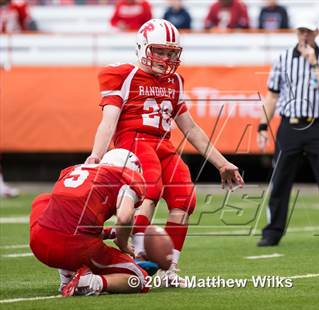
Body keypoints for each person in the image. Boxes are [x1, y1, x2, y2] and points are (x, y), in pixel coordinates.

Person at [85, 19, 244, 287]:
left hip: (163, 145)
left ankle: (170, 269)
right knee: (152, 186)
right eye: (160, 51)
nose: (167, 58)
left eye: (172, 53)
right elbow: (109, 121)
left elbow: (191, 128)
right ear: (142, 47)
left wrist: (222, 163)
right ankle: (136, 255)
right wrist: (95, 156)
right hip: (133, 140)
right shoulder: (123, 74)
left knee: (185, 198)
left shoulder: (174, 81)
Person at [256, 14, 319, 247]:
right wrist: (262, 125)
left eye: (309, 32)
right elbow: (272, 95)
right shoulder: (283, 59)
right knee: (280, 180)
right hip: (290, 124)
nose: (305, 36)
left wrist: (314, 63)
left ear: (316, 33)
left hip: (318, 125)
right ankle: (272, 231)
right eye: (301, 31)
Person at [30, 149, 149, 296]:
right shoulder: (126, 176)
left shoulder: (74, 169)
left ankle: (67, 273)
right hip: (75, 248)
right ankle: (90, 283)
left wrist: (109, 232)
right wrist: (122, 242)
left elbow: (73, 217)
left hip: (39, 242)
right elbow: (124, 217)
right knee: (141, 279)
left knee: (44, 201)